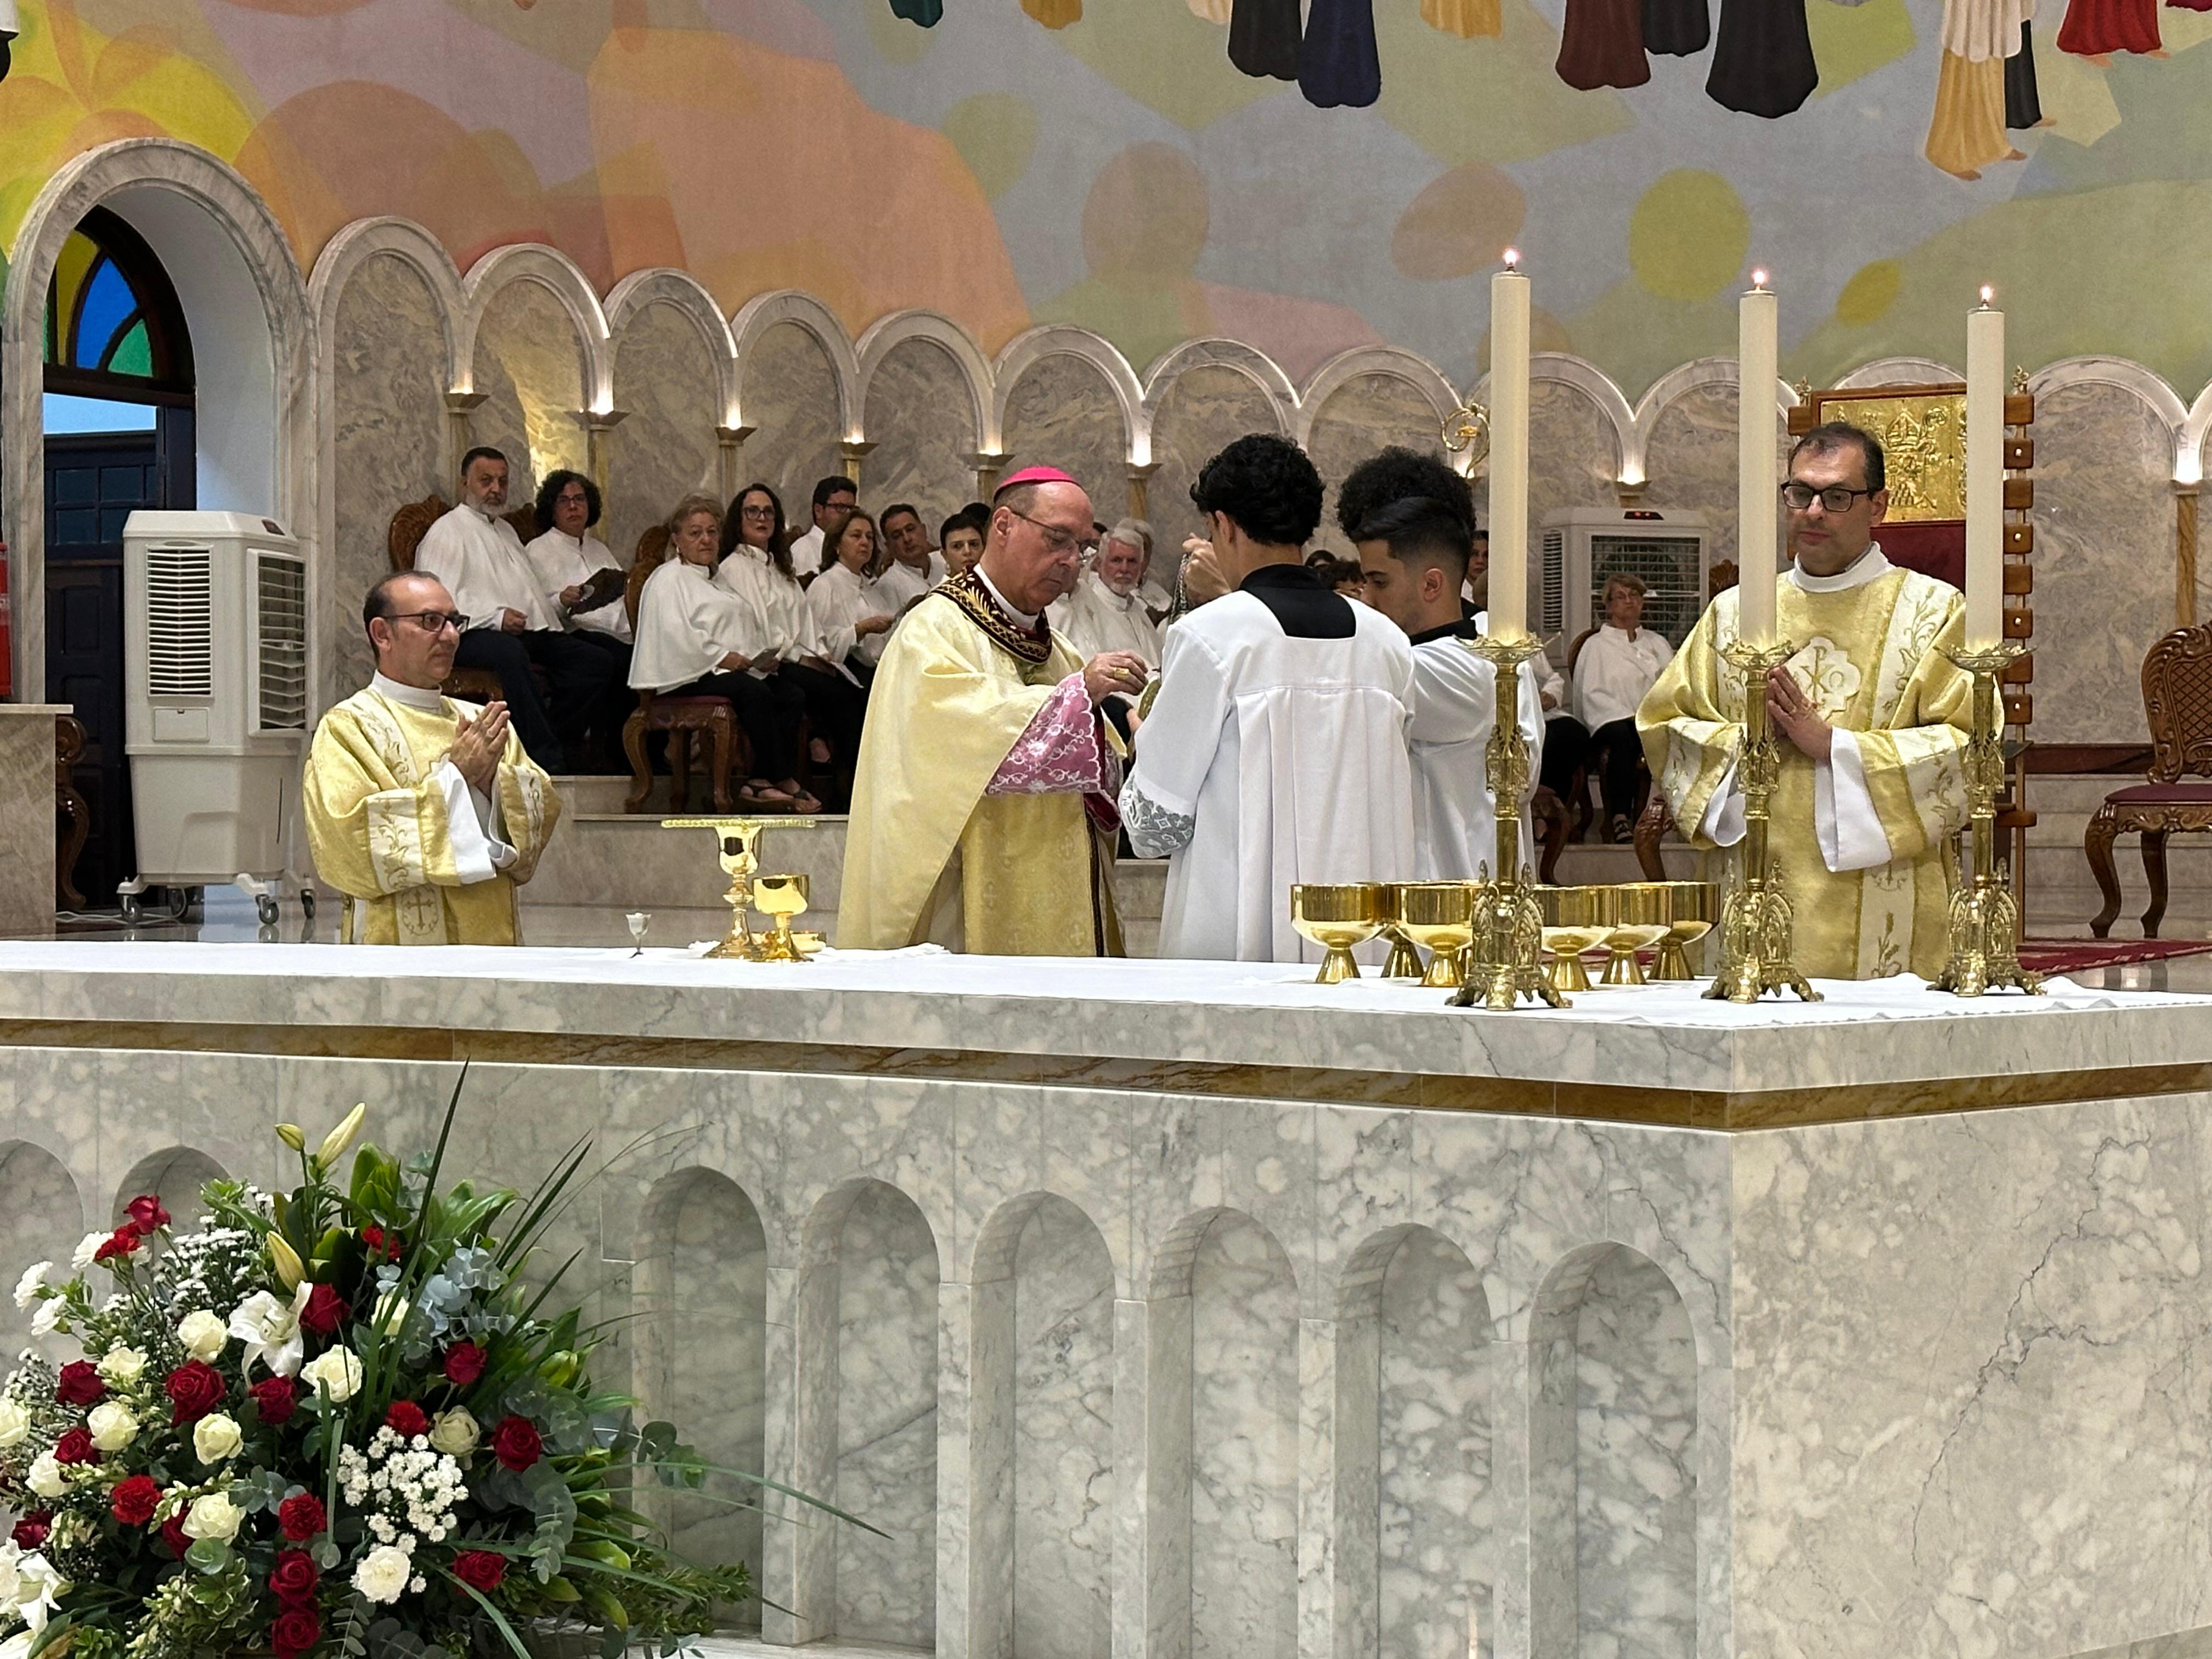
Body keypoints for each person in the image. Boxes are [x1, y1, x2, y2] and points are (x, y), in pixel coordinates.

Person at [1639, 422, 1974, 980]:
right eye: (1800, 493)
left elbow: (1966, 748)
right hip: (1751, 886)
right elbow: (1667, 723)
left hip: (1881, 908)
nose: (1813, 511)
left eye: (1837, 496)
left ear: (1879, 506)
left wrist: (1836, 748)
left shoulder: (1934, 612)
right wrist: (1746, 740)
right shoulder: (1735, 613)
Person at [1121, 433, 1416, 963]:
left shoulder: (1211, 637)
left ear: (1224, 525)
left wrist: (1147, 739)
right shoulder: (1386, 642)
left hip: (1237, 940)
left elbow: (1153, 825)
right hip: (1362, 943)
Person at [842, 466, 1147, 954]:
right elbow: (954, 746)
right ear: (1003, 526)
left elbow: (1098, 779)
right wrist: (1074, 698)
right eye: (1058, 539)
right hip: (963, 902)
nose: (1071, 561)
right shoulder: (934, 631)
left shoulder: (1058, 649)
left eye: (1082, 547)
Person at [302, 572, 561, 945]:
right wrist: (456, 777)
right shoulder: (349, 727)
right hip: (397, 952)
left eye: (454, 622)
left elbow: (541, 811)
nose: (452, 636)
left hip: (491, 939)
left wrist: (493, 788)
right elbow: (344, 843)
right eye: (430, 622)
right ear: (382, 634)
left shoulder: (480, 722)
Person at [1338, 447, 1544, 881]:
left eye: (1378, 582)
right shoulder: (1465, 643)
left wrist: (1241, 599)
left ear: (1433, 582)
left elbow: (1323, 668)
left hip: (1453, 908)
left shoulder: (1472, 667)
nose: (1367, 599)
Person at [413, 447, 618, 775]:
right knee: (508, 652)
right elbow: (439, 603)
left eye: (502, 481)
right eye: (486, 481)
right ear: (465, 482)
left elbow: (530, 596)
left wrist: (551, 610)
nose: (496, 489)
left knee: (595, 661)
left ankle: (554, 742)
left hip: (519, 633)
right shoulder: (447, 530)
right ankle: (545, 754)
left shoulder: (507, 531)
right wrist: (495, 617)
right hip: (468, 634)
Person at [630, 495, 816, 812]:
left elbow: (740, 628)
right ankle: (782, 779)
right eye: (695, 533)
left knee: (791, 694)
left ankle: (759, 781)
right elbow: (676, 634)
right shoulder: (668, 578)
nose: (706, 540)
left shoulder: (717, 579)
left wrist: (759, 657)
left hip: (723, 671)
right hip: (686, 675)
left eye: (712, 532)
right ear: (677, 539)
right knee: (752, 691)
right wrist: (720, 657)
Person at [717, 482, 868, 802]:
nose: (762, 518)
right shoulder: (735, 566)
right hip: (771, 660)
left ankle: (845, 780)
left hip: (801, 656)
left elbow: (805, 620)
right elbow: (753, 624)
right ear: (738, 520)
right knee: (836, 696)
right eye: (753, 512)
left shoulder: (780, 567)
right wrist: (802, 658)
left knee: (853, 689)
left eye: (769, 512)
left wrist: (822, 654)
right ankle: (852, 789)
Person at [523, 469, 632, 771]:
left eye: (580, 499)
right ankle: (592, 746)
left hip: (614, 631)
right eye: (564, 501)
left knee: (642, 657)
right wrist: (562, 599)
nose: (573, 507)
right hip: (566, 631)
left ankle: (628, 747)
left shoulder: (600, 549)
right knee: (616, 659)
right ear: (552, 509)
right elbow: (531, 605)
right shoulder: (538, 550)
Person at [1576, 572, 1674, 842]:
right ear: (1608, 605)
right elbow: (1590, 693)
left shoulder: (1657, 644)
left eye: (1635, 596)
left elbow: (1671, 684)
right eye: (1621, 596)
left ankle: (1669, 812)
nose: (1629, 601)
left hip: (1649, 719)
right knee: (1624, 736)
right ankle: (1619, 817)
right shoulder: (1595, 646)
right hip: (1608, 721)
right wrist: (1623, 714)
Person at [1049, 518, 1162, 739]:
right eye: (1116, 560)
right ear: (1099, 563)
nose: (1124, 569)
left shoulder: (1088, 597)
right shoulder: (1043, 606)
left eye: (1132, 562)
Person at [804, 510, 899, 680]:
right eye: (856, 536)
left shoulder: (871, 588)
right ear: (837, 545)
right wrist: (861, 629)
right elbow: (819, 646)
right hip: (843, 677)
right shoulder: (825, 586)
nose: (865, 542)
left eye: (870, 537)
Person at [873, 502, 946, 610]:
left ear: (924, 531)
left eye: (910, 529)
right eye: (897, 536)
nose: (907, 539)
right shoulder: (887, 585)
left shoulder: (944, 560)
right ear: (889, 546)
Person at [790, 475, 857, 573]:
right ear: (818, 511)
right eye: (840, 507)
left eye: (851, 509)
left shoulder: (853, 547)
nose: (848, 514)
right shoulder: (803, 549)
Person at [940, 506, 988, 577]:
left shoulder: (999, 586)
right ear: (945, 555)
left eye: (974, 544)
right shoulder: (942, 589)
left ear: (984, 548)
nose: (967, 551)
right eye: (957, 546)